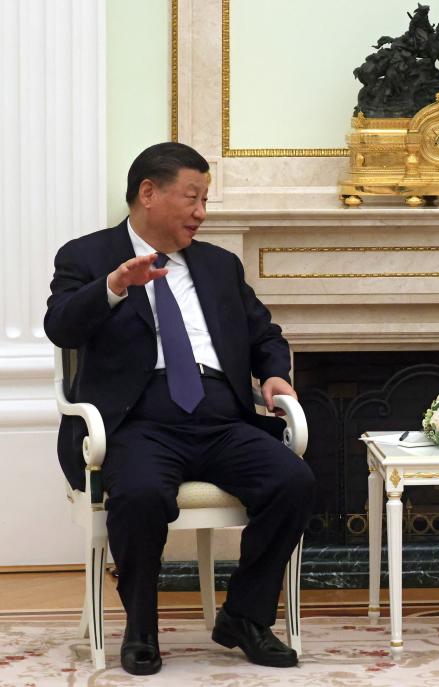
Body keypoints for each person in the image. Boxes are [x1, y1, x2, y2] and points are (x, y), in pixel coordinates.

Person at [44, 142, 315, 675]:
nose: (201, 212)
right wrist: (117, 286)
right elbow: (61, 326)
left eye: (206, 199)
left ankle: (244, 616)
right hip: (136, 423)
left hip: (220, 418)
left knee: (294, 481)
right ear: (149, 193)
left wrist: (276, 374)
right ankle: (141, 628)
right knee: (141, 495)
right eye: (192, 197)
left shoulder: (217, 265)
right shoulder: (88, 257)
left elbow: (265, 334)